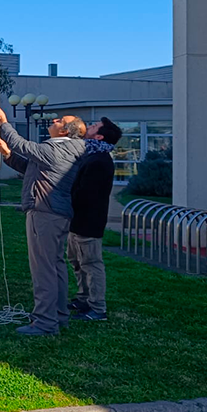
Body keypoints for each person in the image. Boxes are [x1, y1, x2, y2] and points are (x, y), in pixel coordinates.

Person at [0, 105, 86, 336]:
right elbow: (29, 166)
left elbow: (23, 146)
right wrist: (7, 155)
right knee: (55, 266)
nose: (53, 120)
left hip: (45, 213)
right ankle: (59, 316)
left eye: (59, 121)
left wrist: (4, 123)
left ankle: (45, 323)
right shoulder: (64, 150)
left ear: (65, 132)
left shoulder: (58, 150)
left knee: (43, 270)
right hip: (56, 214)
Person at [67, 117, 122, 322]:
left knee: (91, 263)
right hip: (78, 220)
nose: (88, 128)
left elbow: (86, 194)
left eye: (93, 127)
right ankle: (83, 298)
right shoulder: (91, 155)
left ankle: (97, 307)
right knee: (77, 261)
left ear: (99, 136)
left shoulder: (100, 160)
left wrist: (68, 202)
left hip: (88, 222)